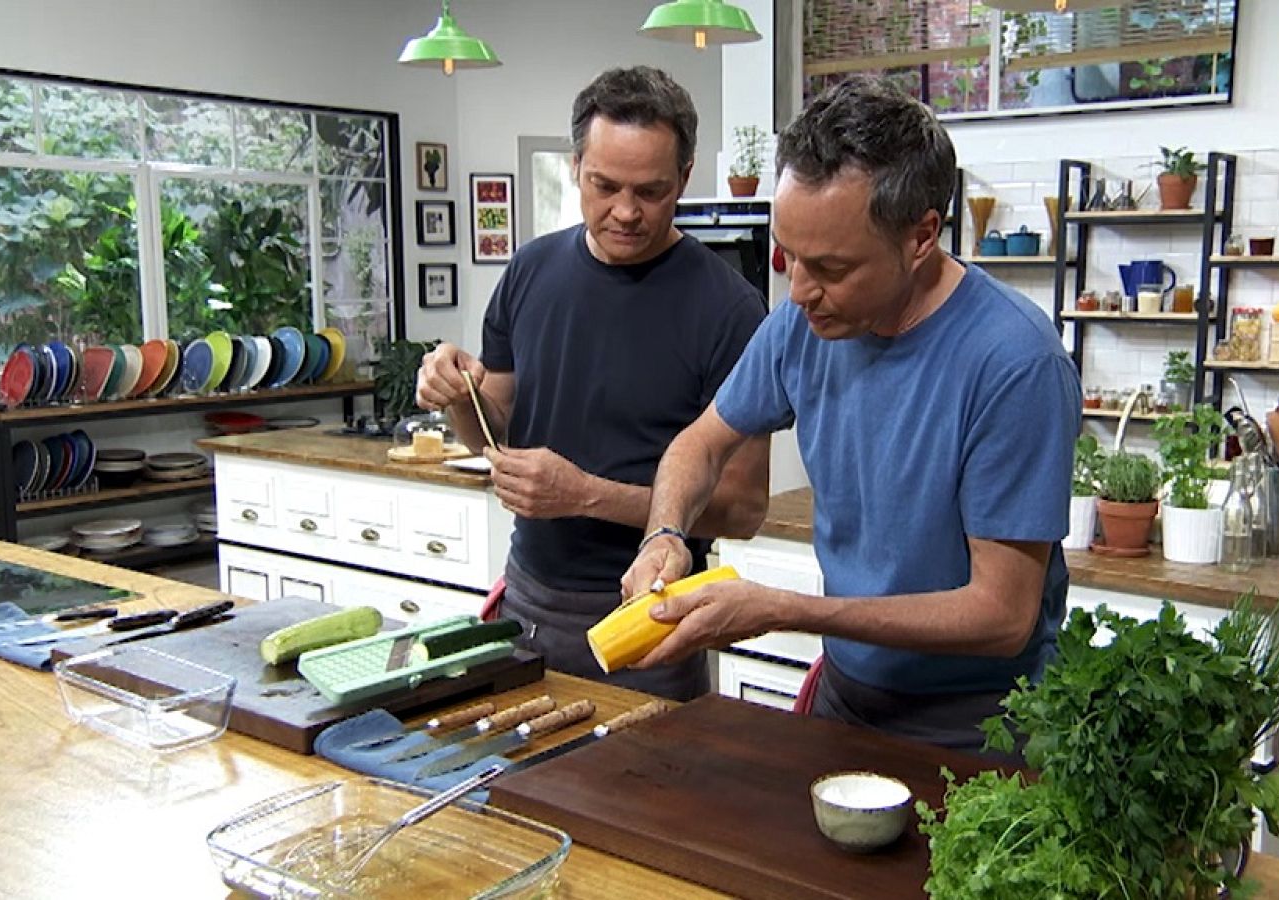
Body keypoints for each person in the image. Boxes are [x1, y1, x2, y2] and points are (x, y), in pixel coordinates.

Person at [620, 76, 1081, 755]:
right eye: (788, 256)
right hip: (846, 702)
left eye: (831, 267)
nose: (799, 290)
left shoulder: (1013, 362)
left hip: (980, 729)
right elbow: (700, 444)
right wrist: (665, 534)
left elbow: (1002, 614)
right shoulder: (802, 326)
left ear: (922, 233)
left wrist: (784, 609)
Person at [415, 66, 770, 701]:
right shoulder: (530, 271)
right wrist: (456, 392)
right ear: (577, 165)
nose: (626, 212)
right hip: (525, 601)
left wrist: (584, 494)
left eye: (652, 191)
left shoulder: (730, 309)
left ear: (684, 178)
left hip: (648, 624)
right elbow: (490, 433)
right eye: (604, 185)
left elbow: (742, 509)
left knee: (645, 797)